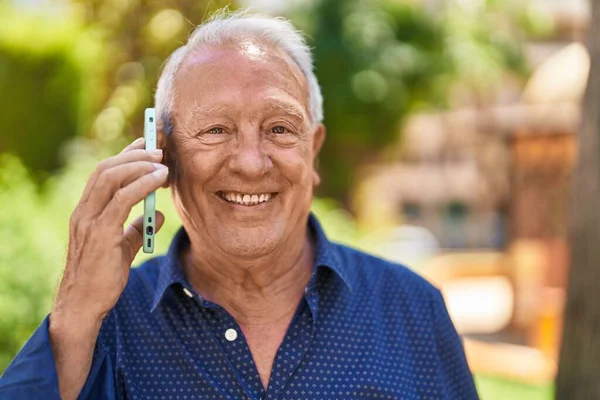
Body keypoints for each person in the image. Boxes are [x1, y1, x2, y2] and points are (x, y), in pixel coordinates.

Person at [0, 10, 479, 400]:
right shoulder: (105, 324)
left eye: (279, 129)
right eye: (215, 130)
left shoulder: (412, 309)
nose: (251, 164)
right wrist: (75, 311)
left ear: (312, 151)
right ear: (162, 155)